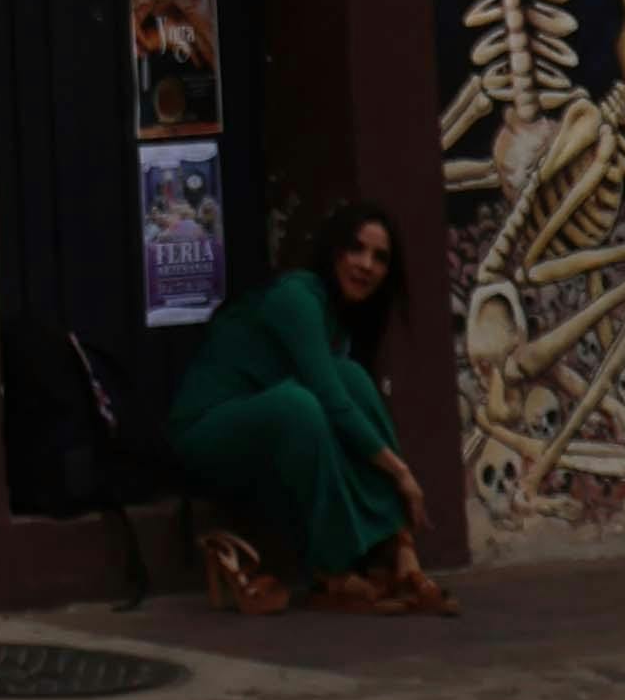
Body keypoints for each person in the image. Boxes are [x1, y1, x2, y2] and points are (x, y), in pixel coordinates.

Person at [171, 197, 450, 618]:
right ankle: (331, 573)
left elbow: (341, 397)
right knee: (300, 404)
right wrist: (402, 473)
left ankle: (399, 550)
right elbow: (331, 405)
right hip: (204, 437)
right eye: (356, 249)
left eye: (379, 257)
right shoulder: (296, 296)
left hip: (268, 442)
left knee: (351, 378)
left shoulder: (339, 322)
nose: (366, 265)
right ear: (333, 251)